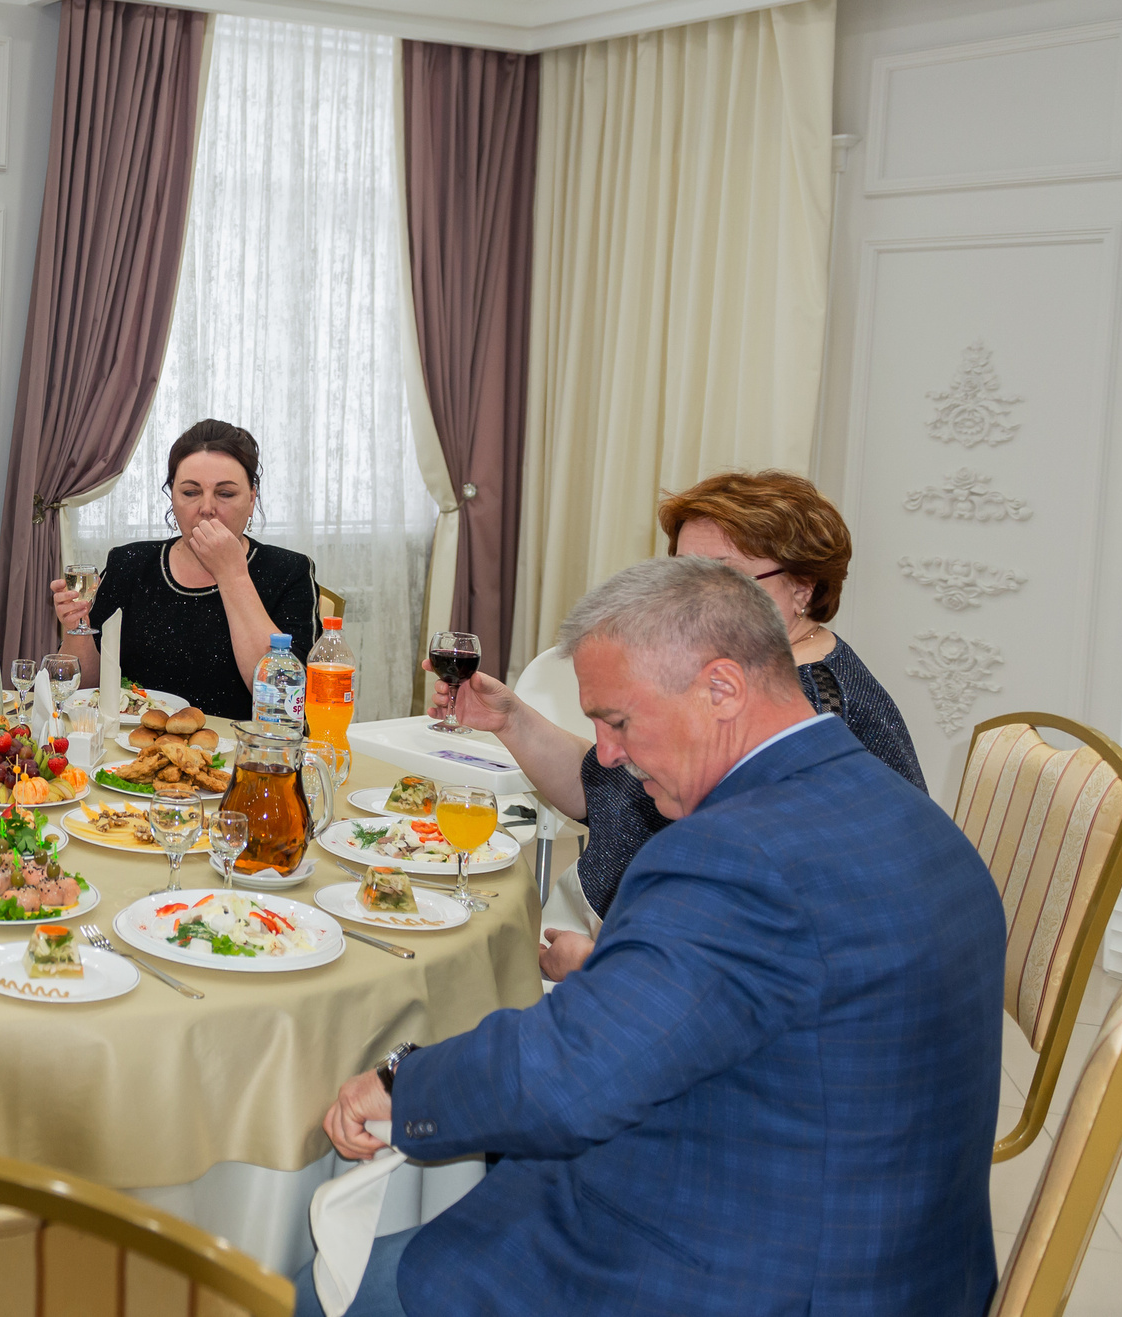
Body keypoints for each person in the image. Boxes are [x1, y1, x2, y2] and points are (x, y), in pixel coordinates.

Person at [308, 556, 1002, 1317]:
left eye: (617, 720)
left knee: (343, 1288)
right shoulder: (917, 820)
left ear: (723, 687)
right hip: (902, 1262)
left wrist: (405, 1082)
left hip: (750, 1274)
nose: (607, 754)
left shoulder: (732, 856)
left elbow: (569, 1077)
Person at [443, 469, 924, 980]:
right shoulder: (746, 671)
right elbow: (607, 783)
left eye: (720, 578)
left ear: (803, 587)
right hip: (624, 934)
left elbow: (767, 937)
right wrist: (510, 719)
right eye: (681, 578)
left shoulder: (801, 710)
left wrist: (597, 964)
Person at [51, 419, 321, 719]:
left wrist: (232, 574)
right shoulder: (129, 563)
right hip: (135, 752)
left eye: (226, 494)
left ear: (252, 497)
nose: (207, 508)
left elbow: (286, 701)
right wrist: (77, 625)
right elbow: (86, 690)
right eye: (191, 492)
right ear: (172, 496)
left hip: (243, 757)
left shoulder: (290, 571)